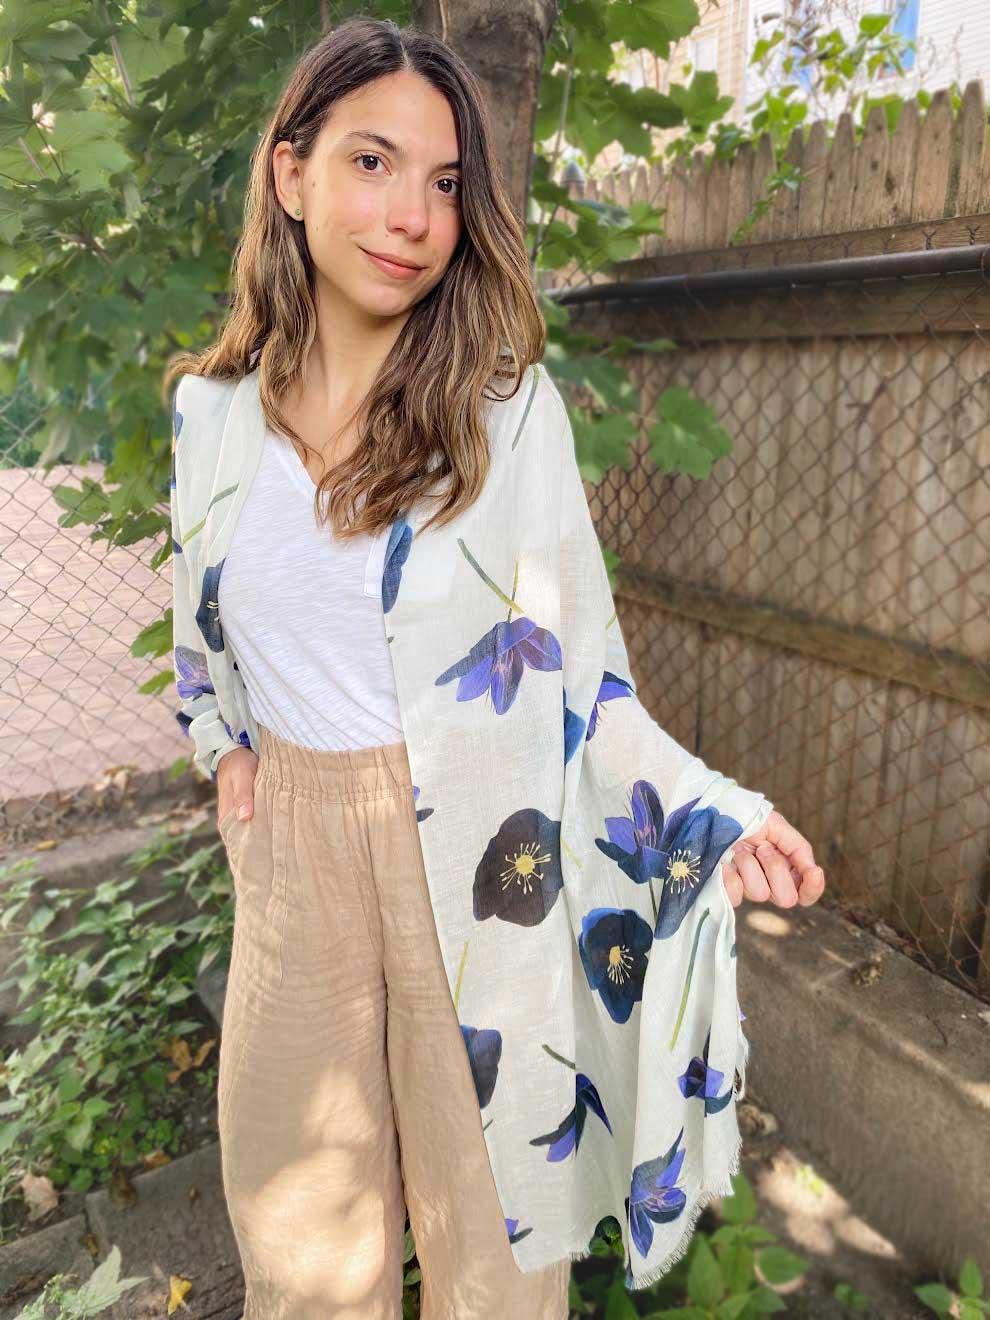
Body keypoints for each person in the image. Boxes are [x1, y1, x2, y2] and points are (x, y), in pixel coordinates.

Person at [165, 16, 825, 1319]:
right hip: (294, 854)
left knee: (497, 1247)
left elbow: (584, 684)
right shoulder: (209, 416)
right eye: (371, 162)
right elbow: (203, 641)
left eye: (446, 181)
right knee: (301, 1243)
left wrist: (710, 814)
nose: (413, 215)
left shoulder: (508, 418)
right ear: (289, 174)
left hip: (479, 854)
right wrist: (226, 752)